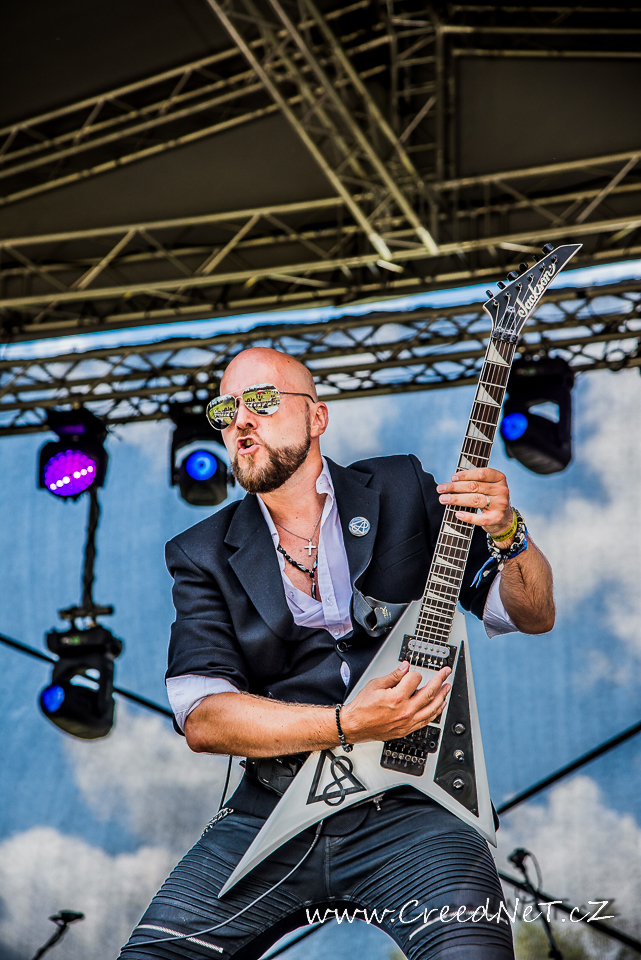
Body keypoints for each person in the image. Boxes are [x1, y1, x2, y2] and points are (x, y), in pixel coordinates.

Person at [121, 347, 554, 960]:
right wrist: (346, 723)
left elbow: (531, 614)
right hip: (269, 811)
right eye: (225, 410)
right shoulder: (201, 552)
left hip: (415, 810)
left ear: (317, 416)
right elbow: (205, 717)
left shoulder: (402, 487)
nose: (241, 420)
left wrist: (510, 534)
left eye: (262, 401)